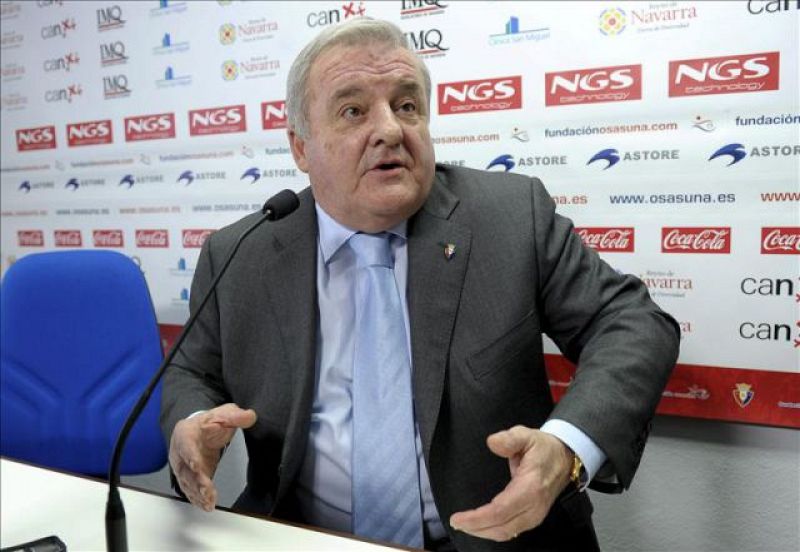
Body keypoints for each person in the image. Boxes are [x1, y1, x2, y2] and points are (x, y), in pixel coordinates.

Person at [161, 17, 679, 552]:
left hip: (495, 539)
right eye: (353, 111)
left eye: (406, 105)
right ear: (300, 147)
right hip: (303, 536)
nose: (390, 129)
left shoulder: (509, 217)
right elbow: (191, 371)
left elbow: (633, 323)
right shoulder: (240, 253)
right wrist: (192, 422)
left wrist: (566, 447)